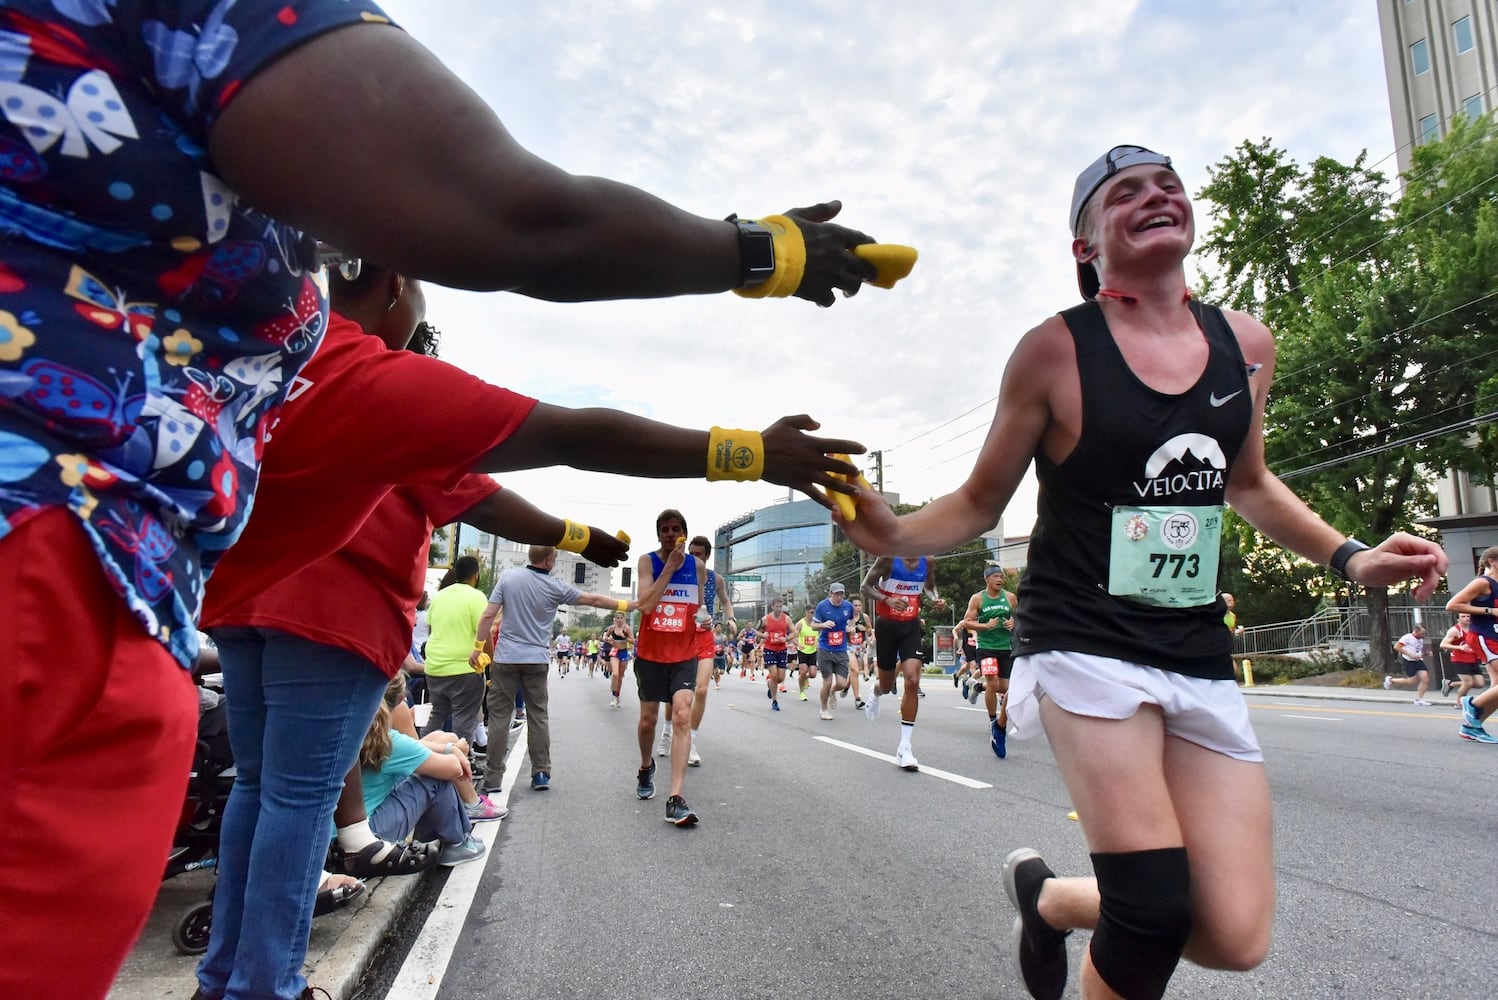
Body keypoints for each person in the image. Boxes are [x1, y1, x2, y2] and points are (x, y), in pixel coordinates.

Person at [0, 0, 900, 990]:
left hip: (190, 602)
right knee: (291, 796)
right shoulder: (368, 377)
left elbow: (472, 495)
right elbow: (547, 388)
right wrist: (755, 273)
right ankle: (257, 980)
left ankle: (239, 973)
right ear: (385, 273)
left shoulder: (306, 365)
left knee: (268, 789)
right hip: (69, 582)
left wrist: (580, 533)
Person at [837, 144, 1447, 999]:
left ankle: (1048, 902)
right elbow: (980, 501)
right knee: (1155, 910)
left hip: (1193, 642)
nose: (1156, 197)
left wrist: (1352, 555)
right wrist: (889, 530)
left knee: (1234, 935)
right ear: (1086, 245)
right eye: (1125, 193)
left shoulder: (1246, 343)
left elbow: (1247, 483)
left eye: (1168, 185)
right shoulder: (1055, 352)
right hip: (1082, 639)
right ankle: (1093, 916)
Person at [470, 544, 673, 793]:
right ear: (547, 561)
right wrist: (628, 605)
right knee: (538, 715)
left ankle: (492, 779)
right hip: (536, 660)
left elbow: (488, 616)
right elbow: (594, 599)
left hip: (506, 659)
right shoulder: (555, 587)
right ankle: (541, 773)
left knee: (500, 717)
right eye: (554, 558)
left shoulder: (508, 577)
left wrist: (478, 648)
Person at [632, 510, 702, 825]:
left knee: (682, 717)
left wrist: (704, 619)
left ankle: (676, 797)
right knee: (648, 720)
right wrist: (670, 568)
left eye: (676, 529)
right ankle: (646, 766)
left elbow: (698, 609)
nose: (671, 534)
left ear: (685, 533)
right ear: (658, 534)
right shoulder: (648, 562)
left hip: (685, 653)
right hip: (651, 653)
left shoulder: (697, 567)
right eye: (665, 530)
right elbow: (645, 605)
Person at [860, 557, 946, 769]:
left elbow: (930, 586)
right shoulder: (888, 559)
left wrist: (936, 598)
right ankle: (876, 690)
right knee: (887, 685)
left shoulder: (928, 562)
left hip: (911, 626)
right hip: (887, 626)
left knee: (912, 679)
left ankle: (904, 747)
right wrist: (886, 600)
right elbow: (865, 587)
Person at [681, 535, 736, 766]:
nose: (694, 558)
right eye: (691, 553)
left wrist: (731, 618)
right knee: (679, 694)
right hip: (680, 636)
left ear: (706, 556)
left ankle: (690, 742)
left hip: (703, 635)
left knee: (701, 691)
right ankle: (667, 731)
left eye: (699, 554)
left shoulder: (716, 578)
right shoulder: (678, 572)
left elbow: (725, 601)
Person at [424, 557, 491, 744]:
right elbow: (485, 635)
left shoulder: (439, 597)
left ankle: (423, 760)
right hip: (465, 669)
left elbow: (431, 630)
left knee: (436, 715)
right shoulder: (476, 597)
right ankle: (460, 766)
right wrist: (490, 666)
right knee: (464, 720)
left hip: (435, 668)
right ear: (476, 575)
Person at [961, 566, 1019, 759]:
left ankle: (978, 686)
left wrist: (1015, 623)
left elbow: (1020, 617)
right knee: (993, 682)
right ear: (987, 579)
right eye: (995, 576)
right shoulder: (978, 599)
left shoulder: (1010, 597)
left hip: (1005, 647)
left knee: (1004, 687)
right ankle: (994, 721)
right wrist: (985, 626)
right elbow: (967, 622)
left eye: (1001, 576)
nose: (1000, 579)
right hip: (986, 647)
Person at [1447, 546, 1498, 743]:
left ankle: (1471, 727)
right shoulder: (1483, 583)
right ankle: (1471, 704)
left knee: (1496, 690)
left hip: (1493, 636)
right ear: (1493, 561)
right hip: (1483, 637)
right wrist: (1490, 612)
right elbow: (1452, 605)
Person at [813, 583, 858, 721]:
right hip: (825, 648)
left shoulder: (848, 607)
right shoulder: (822, 606)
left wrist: (851, 629)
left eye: (841, 594)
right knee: (827, 681)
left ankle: (833, 691)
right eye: (836, 594)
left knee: (842, 683)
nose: (839, 597)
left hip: (840, 649)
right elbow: (813, 626)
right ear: (830, 594)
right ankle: (823, 709)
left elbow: (851, 622)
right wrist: (823, 625)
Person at [758, 597, 795, 711]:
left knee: (780, 678)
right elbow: (757, 631)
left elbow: (794, 632)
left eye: (780, 606)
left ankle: (770, 684)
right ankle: (774, 701)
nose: (779, 609)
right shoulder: (765, 619)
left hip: (782, 650)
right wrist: (761, 635)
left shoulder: (787, 619)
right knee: (774, 675)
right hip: (770, 649)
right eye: (777, 606)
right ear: (772, 606)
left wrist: (787, 638)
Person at [1439, 614, 1485, 700]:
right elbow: (1443, 644)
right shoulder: (1455, 630)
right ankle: (1459, 702)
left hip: (1472, 659)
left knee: (1480, 684)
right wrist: (1460, 647)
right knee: (1468, 683)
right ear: (1458, 619)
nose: (1466, 618)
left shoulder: (1473, 628)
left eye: (1468, 616)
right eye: (1463, 616)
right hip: (1459, 659)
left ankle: (1451, 684)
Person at [1384, 625, 1431, 706]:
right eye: (1422, 633)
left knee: (1425, 679)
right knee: (1411, 681)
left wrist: (1425, 653)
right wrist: (1410, 654)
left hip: (1418, 661)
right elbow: (1397, 647)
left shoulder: (1420, 640)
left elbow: (1418, 650)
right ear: (1416, 631)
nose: (1424, 636)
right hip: (1409, 661)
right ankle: (1391, 680)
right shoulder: (1407, 637)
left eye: (1424, 633)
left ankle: (1419, 699)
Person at [603, 614, 634, 707]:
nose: (619, 620)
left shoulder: (627, 629)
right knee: (615, 674)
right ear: (615, 619)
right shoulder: (612, 628)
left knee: (620, 677)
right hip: (614, 652)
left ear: (624, 619)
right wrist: (608, 639)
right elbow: (604, 637)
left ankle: (617, 696)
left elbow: (633, 641)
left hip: (623, 652)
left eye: (621, 618)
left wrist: (624, 637)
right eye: (618, 618)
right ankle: (613, 696)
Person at [794, 606, 820, 701]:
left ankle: (804, 678)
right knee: (803, 671)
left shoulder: (817, 624)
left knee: (813, 674)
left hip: (813, 651)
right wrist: (798, 644)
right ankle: (802, 692)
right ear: (806, 612)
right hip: (803, 651)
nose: (813, 615)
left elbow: (821, 635)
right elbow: (793, 636)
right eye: (811, 612)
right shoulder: (800, 624)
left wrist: (818, 643)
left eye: (814, 612)